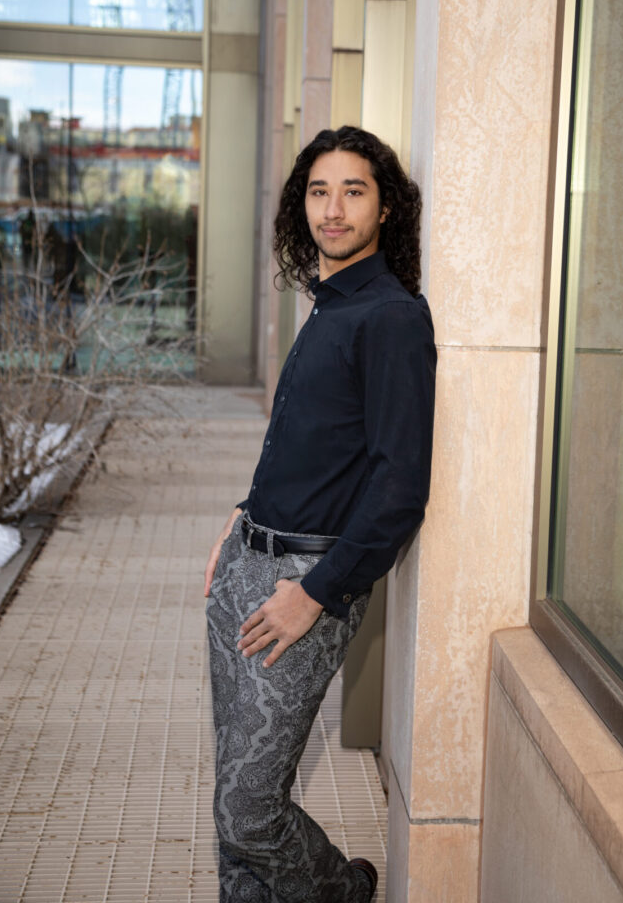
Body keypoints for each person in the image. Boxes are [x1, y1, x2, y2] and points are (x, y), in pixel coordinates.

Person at [204, 125, 437, 903]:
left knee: (249, 810)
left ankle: (341, 891)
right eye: (317, 190)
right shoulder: (330, 304)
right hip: (247, 564)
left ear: (386, 209)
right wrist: (240, 523)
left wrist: (314, 593)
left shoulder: (391, 318)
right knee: (235, 794)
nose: (332, 209)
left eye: (354, 191)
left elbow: (399, 487)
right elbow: (313, 446)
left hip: (304, 584)